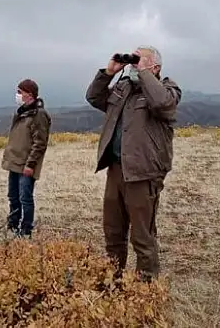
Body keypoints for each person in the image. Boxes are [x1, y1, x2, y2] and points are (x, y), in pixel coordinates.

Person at [85, 45, 182, 282]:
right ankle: (113, 282)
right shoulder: (123, 88)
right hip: (116, 170)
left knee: (142, 236)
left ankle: (146, 291)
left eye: (140, 59)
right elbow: (94, 97)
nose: (133, 62)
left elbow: (162, 104)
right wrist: (109, 72)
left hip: (144, 173)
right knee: (113, 232)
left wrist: (144, 74)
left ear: (156, 67)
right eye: (133, 58)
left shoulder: (168, 89)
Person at [1, 79, 52, 239]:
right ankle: (13, 224)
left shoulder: (39, 115)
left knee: (25, 198)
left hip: (26, 164)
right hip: (15, 161)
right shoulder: (22, 112)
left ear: (29, 94)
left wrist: (31, 164)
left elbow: (40, 143)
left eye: (20, 92)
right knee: (13, 196)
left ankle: (26, 229)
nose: (17, 95)